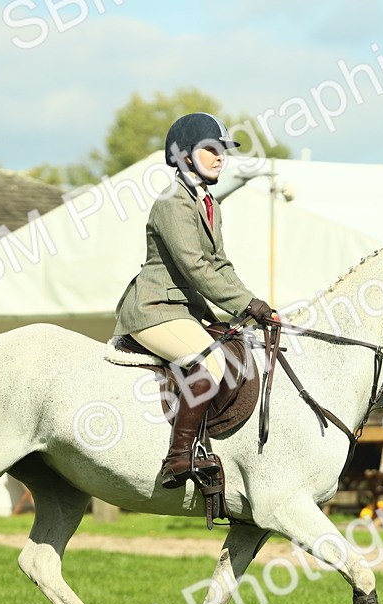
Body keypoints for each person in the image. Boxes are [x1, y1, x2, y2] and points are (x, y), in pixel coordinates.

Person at [113, 112, 279, 489]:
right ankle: (178, 455)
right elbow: (195, 266)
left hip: (184, 312)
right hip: (154, 309)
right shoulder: (173, 202)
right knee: (211, 361)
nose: (220, 157)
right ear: (185, 155)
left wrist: (255, 305)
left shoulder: (209, 203)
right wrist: (245, 304)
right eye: (211, 150)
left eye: (223, 151)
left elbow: (220, 264)